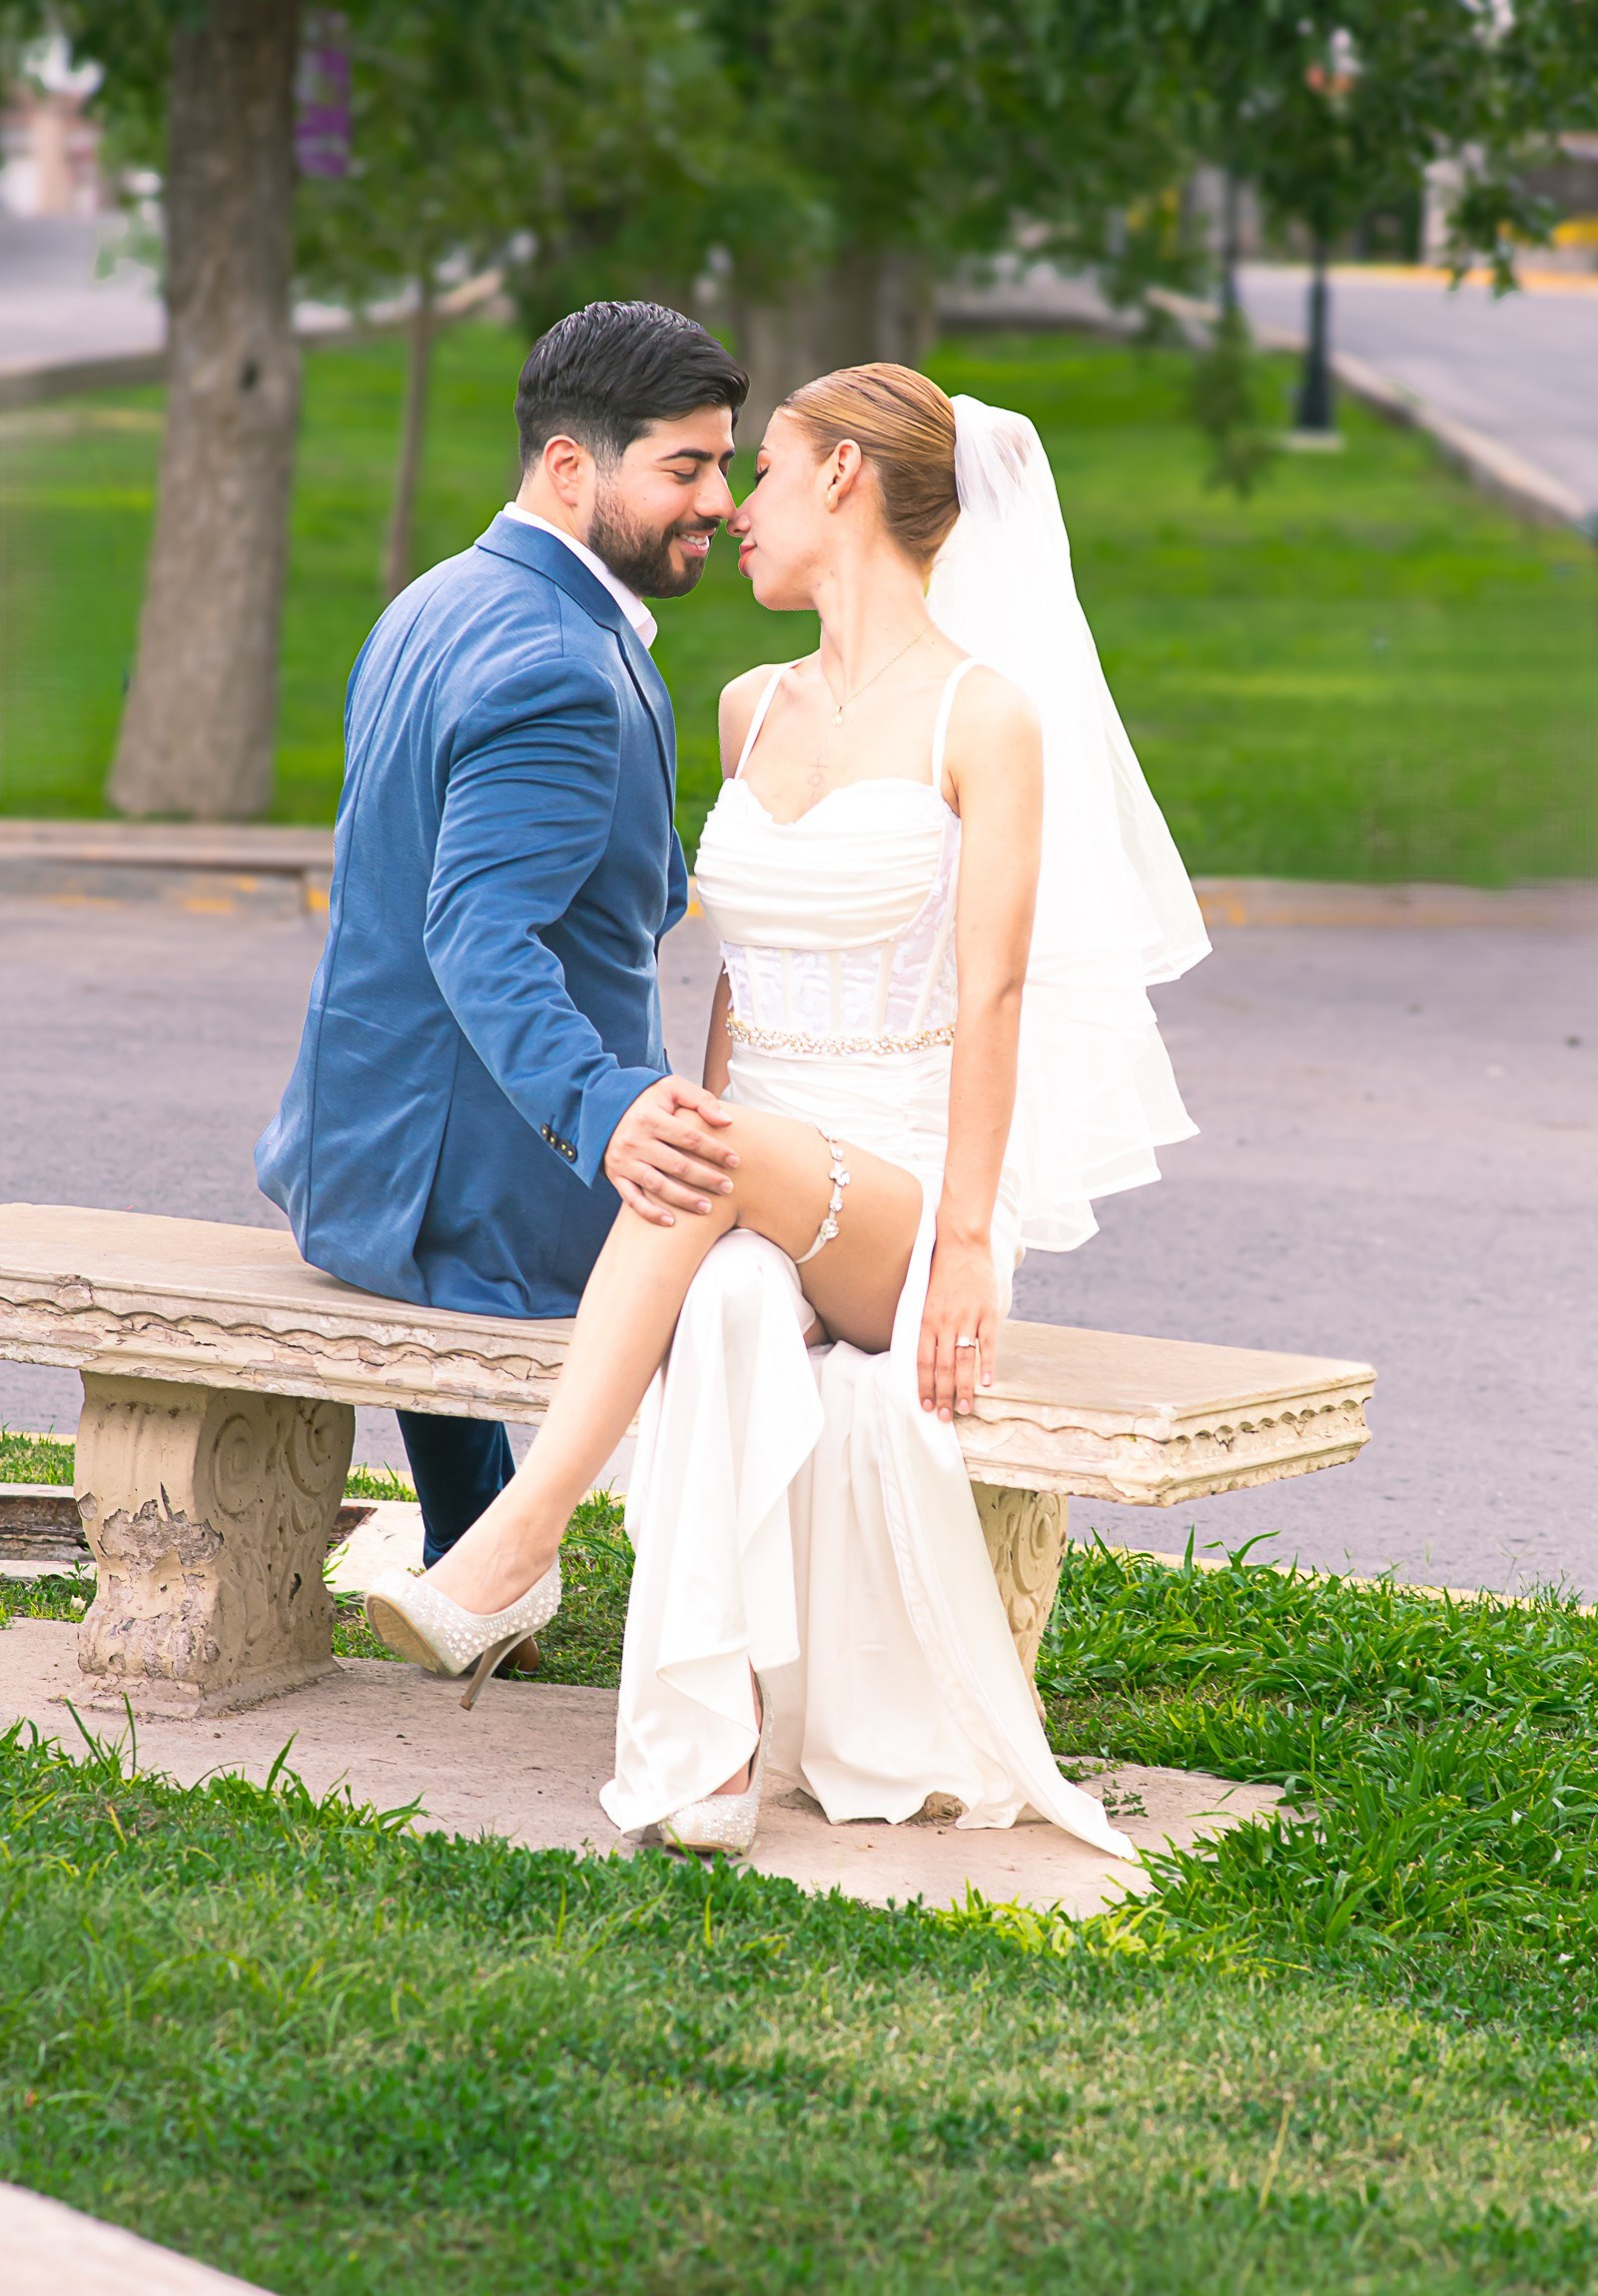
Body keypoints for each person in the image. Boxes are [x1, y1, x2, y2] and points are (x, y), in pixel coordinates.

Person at [365, 361, 1210, 1860]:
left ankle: (521, 1534)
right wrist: (712, 1126)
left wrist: (962, 1244)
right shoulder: (752, 707)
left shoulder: (984, 716)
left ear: (845, 481)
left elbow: (998, 998)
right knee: (738, 1283)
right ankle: (713, 1752)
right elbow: (738, 989)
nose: (732, 509)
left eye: (761, 471)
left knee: (700, 1156)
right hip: (760, 1170)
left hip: (909, 1196)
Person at [256, 302, 749, 1593]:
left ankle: (474, 1550)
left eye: (726, 463)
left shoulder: (438, 597)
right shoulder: (559, 669)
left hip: (351, 1152)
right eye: (686, 467)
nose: (722, 499)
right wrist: (606, 1111)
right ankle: (734, 1612)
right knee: (795, 1272)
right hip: (472, 1192)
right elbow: (478, 933)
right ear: (574, 467)